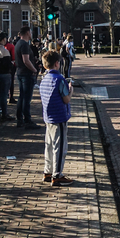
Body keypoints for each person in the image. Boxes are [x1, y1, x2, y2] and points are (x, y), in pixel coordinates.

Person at [39, 50, 74, 186]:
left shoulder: (44, 79)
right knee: (59, 147)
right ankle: (57, 175)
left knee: (48, 145)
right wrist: (71, 90)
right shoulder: (60, 79)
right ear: (57, 64)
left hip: (48, 116)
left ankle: (47, 172)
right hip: (59, 117)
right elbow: (66, 99)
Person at [15, 26, 41, 129]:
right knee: (26, 98)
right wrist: (34, 70)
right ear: (26, 33)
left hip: (20, 73)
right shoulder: (24, 45)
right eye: (30, 32)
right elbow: (26, 60)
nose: (31, 34)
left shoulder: (18, 44)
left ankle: (20, 119)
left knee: (22, 97)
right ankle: (27, 120)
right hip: (26, 74)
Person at [4, 36, 17, 104]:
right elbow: (14, 57)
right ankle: (11, 97)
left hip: (1, 67)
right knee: (11, 82)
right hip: (10, 67)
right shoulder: (11, 46)